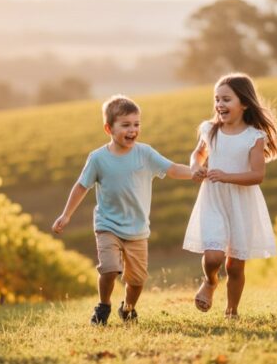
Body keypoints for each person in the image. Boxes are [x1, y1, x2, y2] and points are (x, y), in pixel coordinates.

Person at [52, 95, 195, 325]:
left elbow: (172, 169)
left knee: (137, 280)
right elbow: (81, 186)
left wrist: (195, 173)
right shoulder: (98, 158)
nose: (132, 130)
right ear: (108, 128)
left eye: (136, 124)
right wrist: (66, 214)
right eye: (126, 125)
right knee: (109, 269)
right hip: (107, 225)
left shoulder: (145, 153)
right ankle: (104, 305)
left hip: (137, 229)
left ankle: (127, 308)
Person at [183, 73, 277, 319]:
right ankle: (210, 282)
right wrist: (195, 167)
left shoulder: (254, 137)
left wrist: (227, 176)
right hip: (213, 199)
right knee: (213, 257)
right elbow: (197, 154)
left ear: (244, 103)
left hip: (242, 203)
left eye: (226, 99)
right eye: (217, 99)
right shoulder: (209, 130)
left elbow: (257, 175)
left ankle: (231, 311)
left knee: (234, 265)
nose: (220, 104)